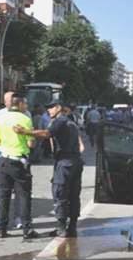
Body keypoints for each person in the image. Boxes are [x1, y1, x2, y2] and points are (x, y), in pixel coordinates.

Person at [17, 101, 84, 238]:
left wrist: (25, 132)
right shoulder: (71, 122)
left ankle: (61, 228)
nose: (48, 111)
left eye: (51, 108)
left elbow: (46, 134)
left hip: (65, 162)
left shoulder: (60, 121)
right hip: (76, 162)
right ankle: (72, 227)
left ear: (59, 108)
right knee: (73, 196)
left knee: (60, 194)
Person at [0, 94, 37, 239]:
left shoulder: (0, 119)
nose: (27, 106)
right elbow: (31, 143)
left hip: (3, 160)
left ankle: (1, 228)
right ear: (20, 104)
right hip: (19, 161)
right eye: (25, 104)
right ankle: (26, 228)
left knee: (3, 195)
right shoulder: (25, 119)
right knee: (23, 195)